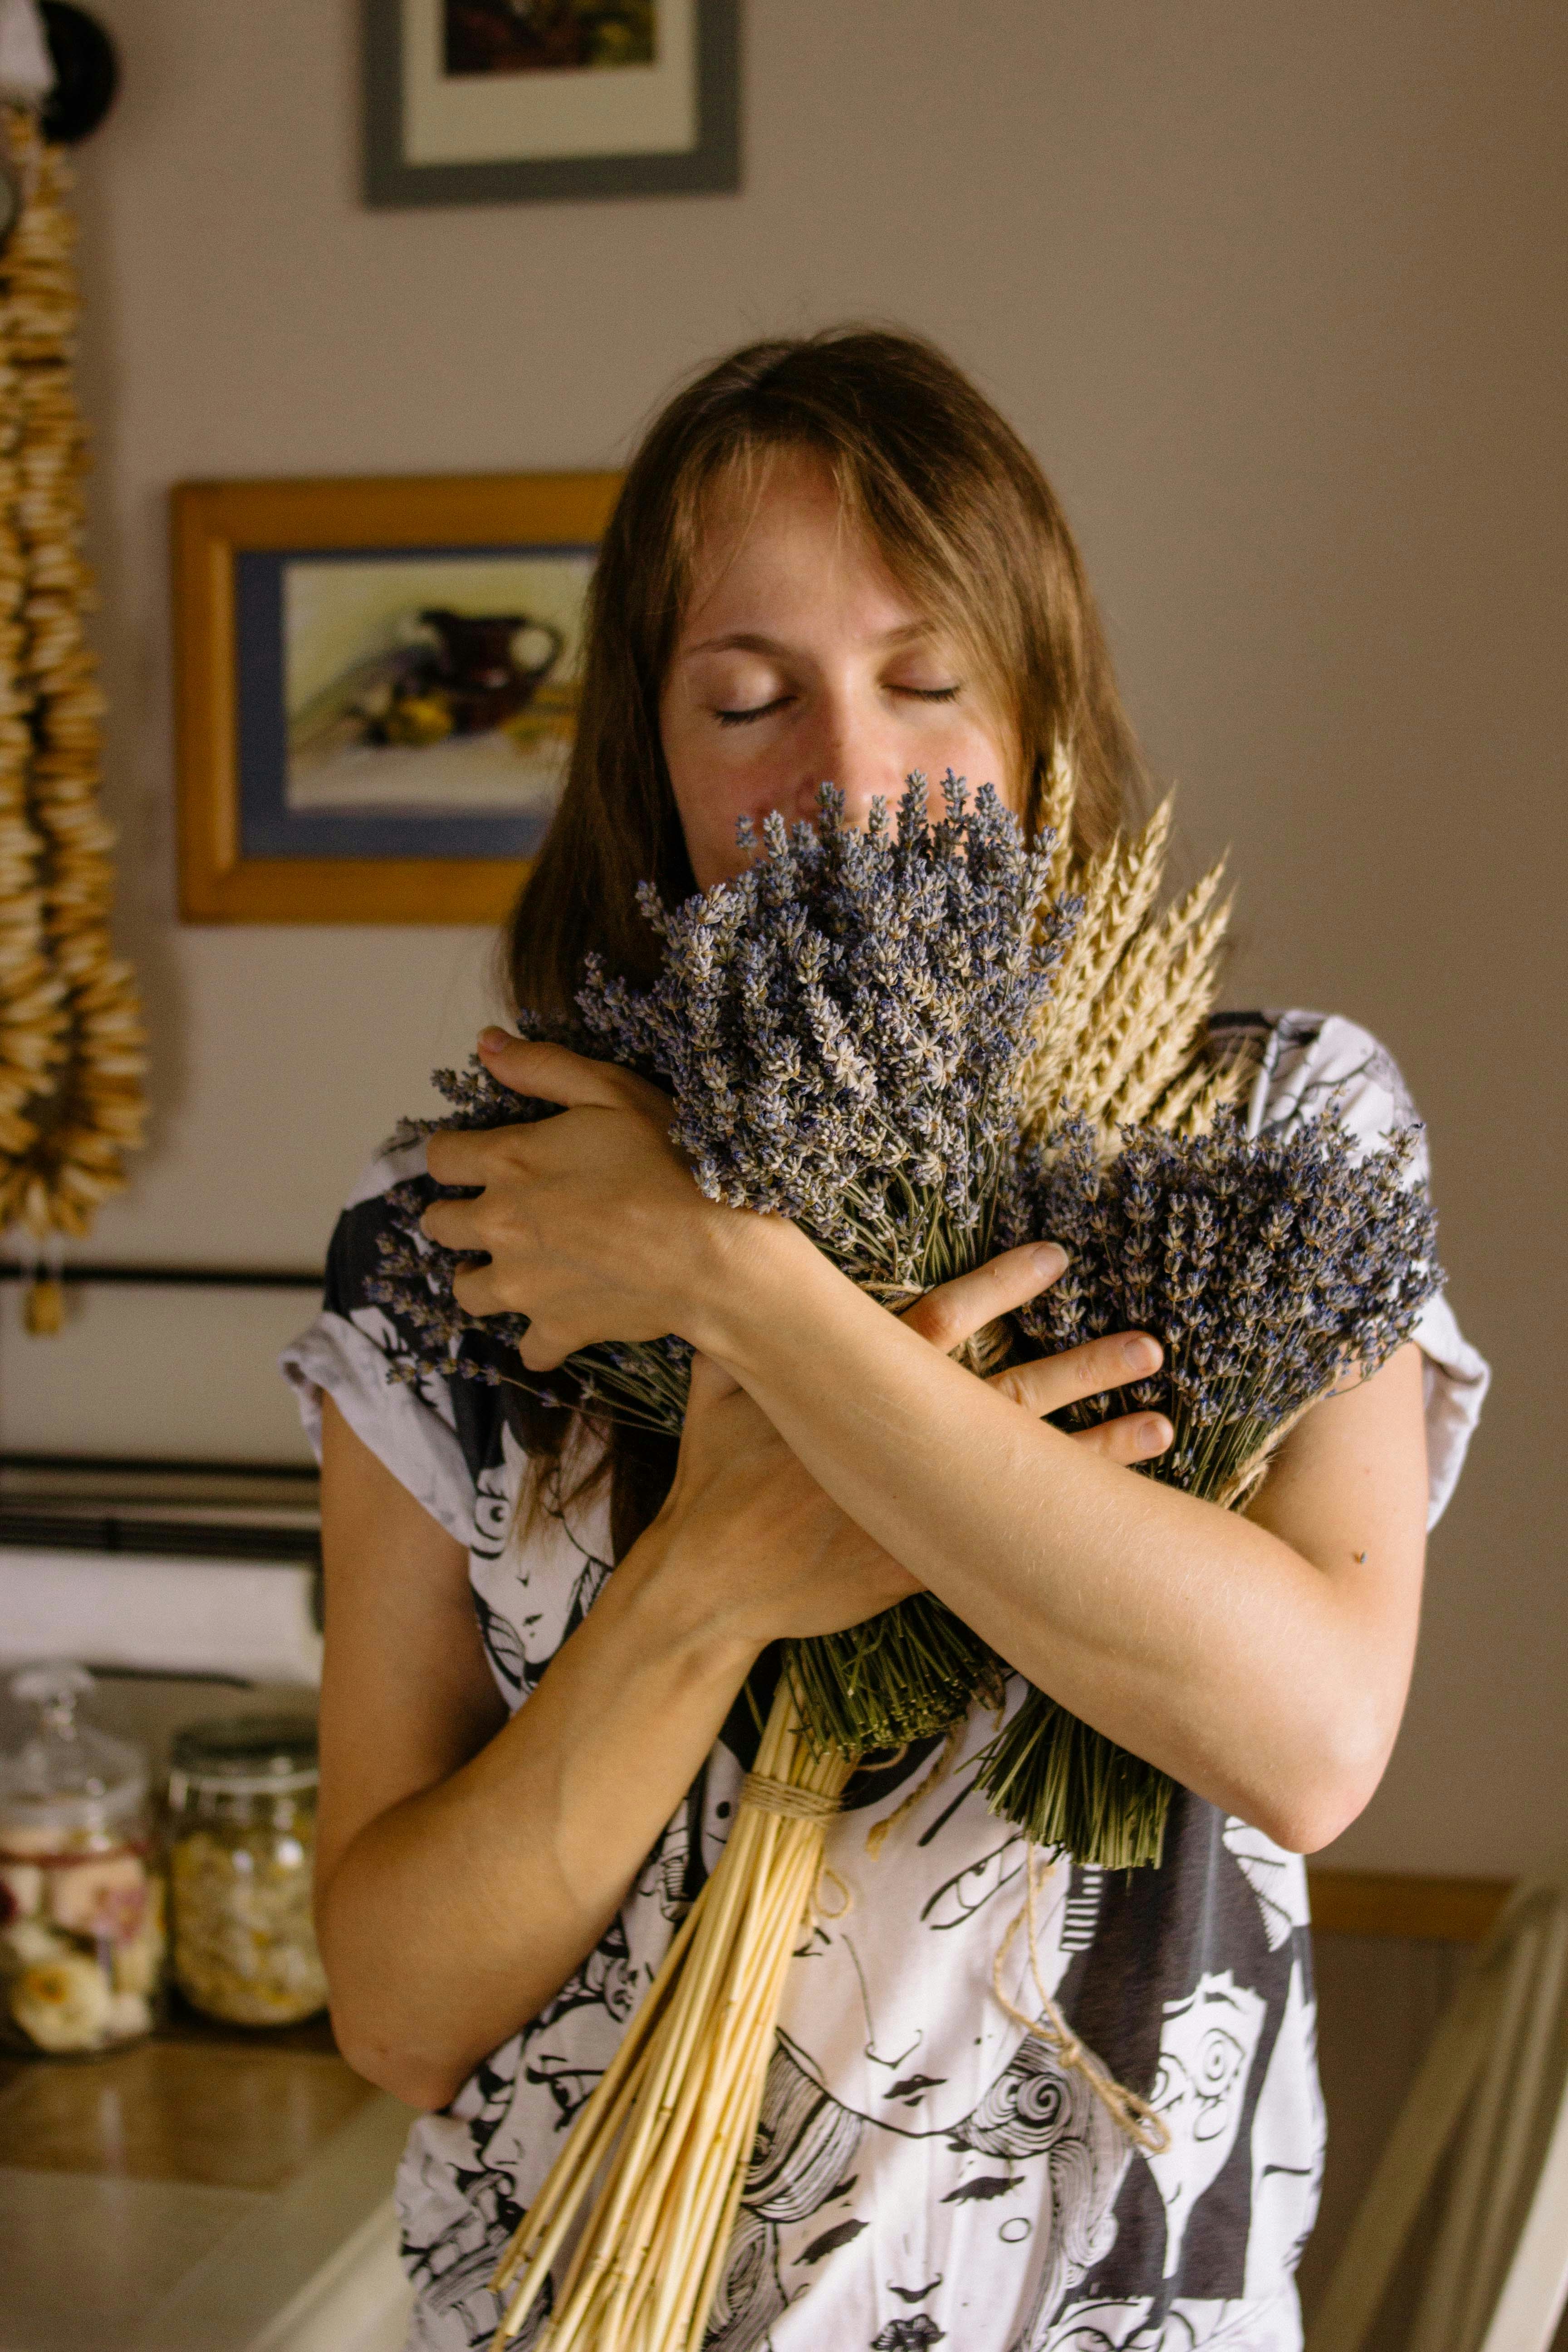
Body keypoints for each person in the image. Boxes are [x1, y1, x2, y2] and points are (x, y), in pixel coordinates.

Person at [283, 328, 1489, 2352]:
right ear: (645, 761)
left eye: (926, 681)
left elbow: (1309, 1740)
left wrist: (737, 1282)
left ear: (1040, 712)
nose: (847, 774)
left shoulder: (1273, 1137)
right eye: (747, 698)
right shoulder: (462, 1242)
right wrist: (720, 1576)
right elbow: (400, 2013)